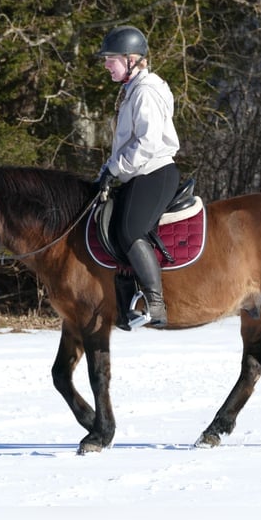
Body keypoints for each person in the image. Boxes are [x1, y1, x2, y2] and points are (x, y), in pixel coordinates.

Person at [96, 25, 180, 329]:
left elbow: (147, 143)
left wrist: (115, 169)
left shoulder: (145, 92)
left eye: (111, 59)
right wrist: (107, 169)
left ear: (132, 59)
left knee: (130, 230)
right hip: (139, 171)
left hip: (154, 172)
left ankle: (155, 303)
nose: (106, 65)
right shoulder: (132, 90)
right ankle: (125, 303)